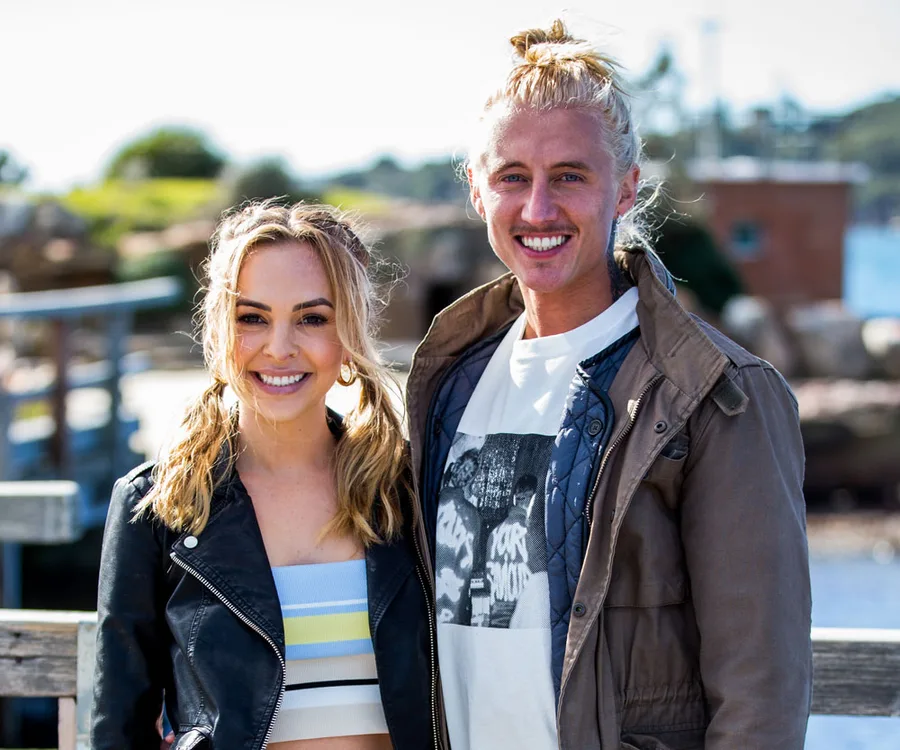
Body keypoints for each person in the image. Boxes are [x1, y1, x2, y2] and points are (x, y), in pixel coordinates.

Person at [405, 19, 812, 750]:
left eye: (570, 175)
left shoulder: (717, 395)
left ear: (625, 188)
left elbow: (762, 692)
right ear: (476, 190)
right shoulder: (449, 381)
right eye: (512, 177)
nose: (538, 209)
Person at [92, 201, 436, 750]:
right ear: (218, 331)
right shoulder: (158, 504)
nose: (279, 348)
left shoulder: (410, 490)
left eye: (312, 318)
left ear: (349, 335)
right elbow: (120, 728)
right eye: (251, 318)